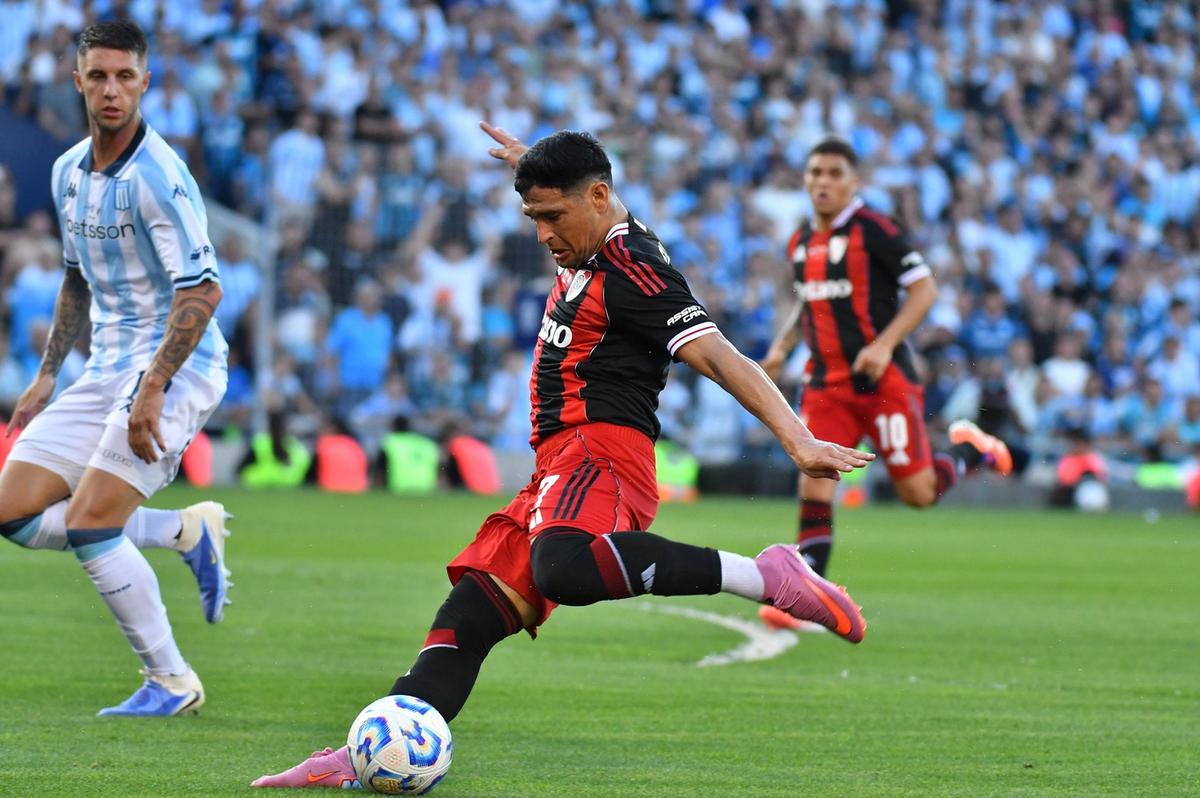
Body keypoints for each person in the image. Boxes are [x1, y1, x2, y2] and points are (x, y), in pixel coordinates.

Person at [251, 125, 875, 788]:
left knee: (565, 567)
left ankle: (765, 574)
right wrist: (534, 165)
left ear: (598, 198)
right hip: (556, 464)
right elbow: (583, 196)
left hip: (601, 451)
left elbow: (720, 355)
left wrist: (795, 438)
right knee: (470, 612)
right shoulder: (592, 228)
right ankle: (361, 755)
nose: (543, 234)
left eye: (552, 216)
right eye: (532, 217)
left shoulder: (635, 270)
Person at [0, 21, 231, 717]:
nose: (110, 89)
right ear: (77, 80)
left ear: (144, 83)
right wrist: (47, 374)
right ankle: (181, 531)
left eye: (124, 77)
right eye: (98, 76)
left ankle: (171, 681)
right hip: (105, 367)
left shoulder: (159, 177)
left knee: (91, 524)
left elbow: (203, 289)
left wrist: (153, 387)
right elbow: (76, 278)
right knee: (11, 513)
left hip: (178, 366)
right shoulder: (68, 170)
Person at [757, 138, 1011, 631]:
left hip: (883, 383)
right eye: (815, 173)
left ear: (854, 182)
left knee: (918, 494)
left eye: (833, 173)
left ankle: (971, 450)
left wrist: (883, 344)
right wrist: (783, 347)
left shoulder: (876, 229)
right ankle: (808, 593)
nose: (823, 182)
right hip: (826, 385)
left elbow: (925, 289)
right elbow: (809, 301)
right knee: (814, 476)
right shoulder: (800, 240)